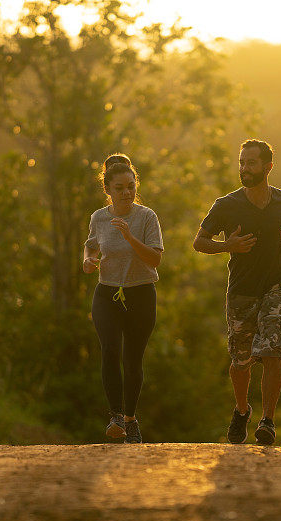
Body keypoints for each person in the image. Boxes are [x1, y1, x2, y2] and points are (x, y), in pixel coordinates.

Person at [193, 139, 281, 445]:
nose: (244, 168)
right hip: (242, 289)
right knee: (241, 360)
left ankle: (268, 421)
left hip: (277, 282)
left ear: (268, 167)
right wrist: (226, 246)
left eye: (251, 163)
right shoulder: (226, 205)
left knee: (272, 349)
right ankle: (242, 410)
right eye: (242, 163)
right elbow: (199, 241)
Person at [83, 154, 164, 443]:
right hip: (107, 293)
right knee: (110, 350)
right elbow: (91, 247)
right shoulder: (99, 218)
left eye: (131, 186)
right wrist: (88, 261)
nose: (127, 192)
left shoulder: (147, 217)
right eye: (120, 188)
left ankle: (131, 419)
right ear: (108, 190)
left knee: (132, 359)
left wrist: (130, 238)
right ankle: (115, 416)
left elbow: (154, 259)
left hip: (141, 293)